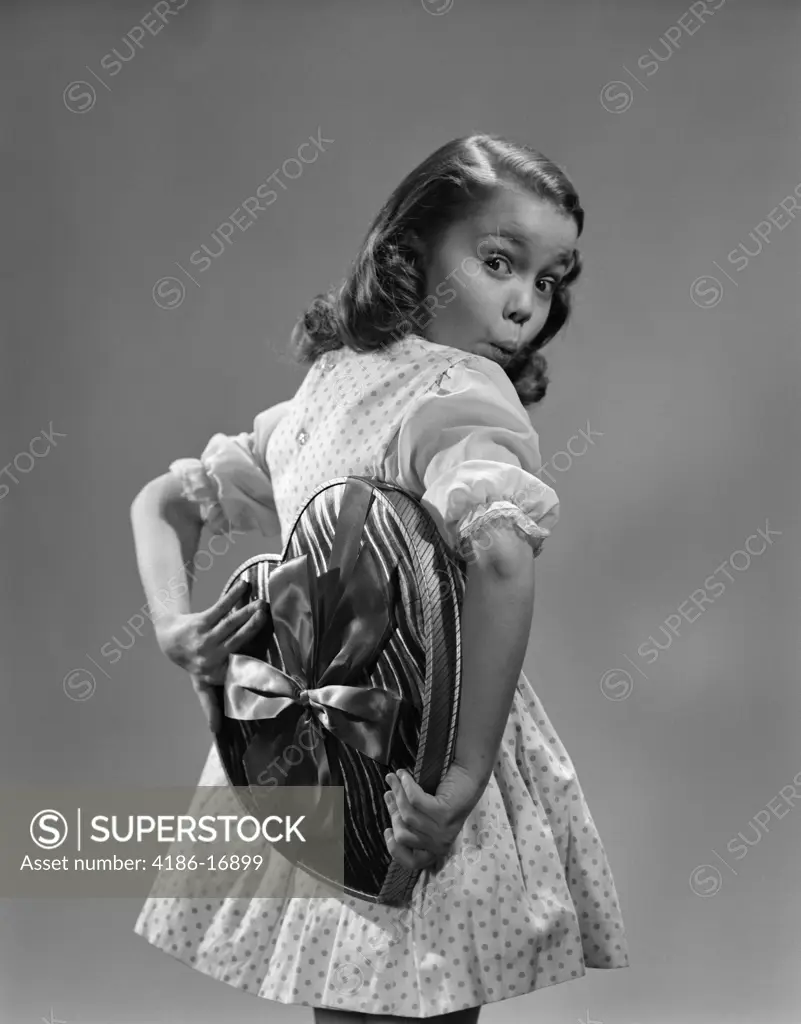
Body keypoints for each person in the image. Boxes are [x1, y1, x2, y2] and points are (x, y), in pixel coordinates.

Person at [129, 133, 630, 1023]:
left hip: (312, 751)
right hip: (418, 751)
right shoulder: (456, 394)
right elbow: (503, 557)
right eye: (499, 261)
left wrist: (174, 624)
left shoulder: (320, 394)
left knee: (355, 998)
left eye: (549, 280)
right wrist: (465, 776)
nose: (526, 304)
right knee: (408, 998)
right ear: (408, 255)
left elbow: (164, 501)